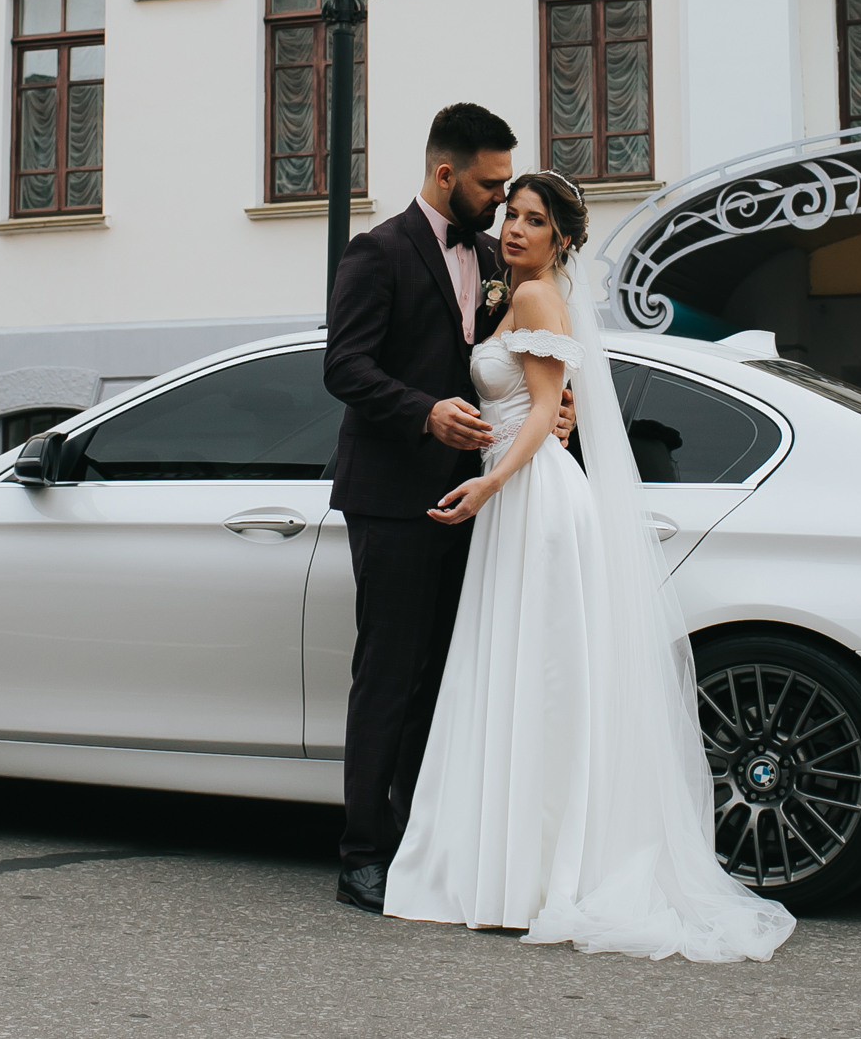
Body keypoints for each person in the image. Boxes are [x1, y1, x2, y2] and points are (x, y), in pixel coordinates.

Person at [383, 172, 797, 962]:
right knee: (521, 673)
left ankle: (540, 869)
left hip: (532, 501)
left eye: (534, 220)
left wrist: (489, 482)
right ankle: (511, 865)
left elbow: (542, 409)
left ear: (562, 239)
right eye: (511, 214)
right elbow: (549, 407)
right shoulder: (515, 294)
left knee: (539, 677)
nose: (514, 228)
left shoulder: (537, 298)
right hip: (521, 493)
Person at [322, 103, 569, 915]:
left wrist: (552, 409)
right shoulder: (378, 251)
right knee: (389, 674)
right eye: (492, 185)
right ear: (445, 175)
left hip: (477, 497)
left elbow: (523, 364)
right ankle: (363, 852)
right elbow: (344, 367)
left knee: (447, 677)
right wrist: (424, 410)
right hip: (393, 497)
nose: (502, 203)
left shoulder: (500, 257)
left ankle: (425, 839)